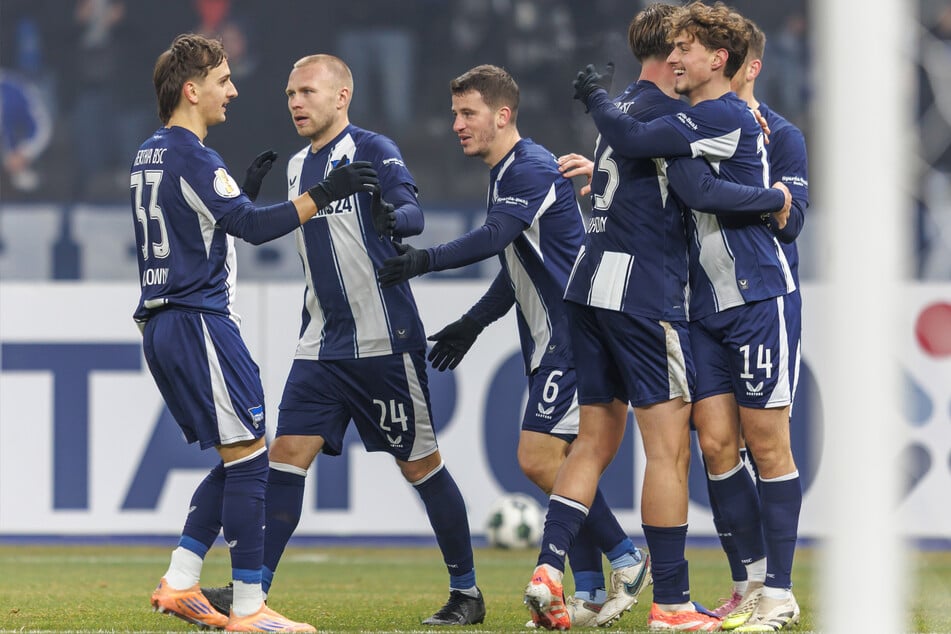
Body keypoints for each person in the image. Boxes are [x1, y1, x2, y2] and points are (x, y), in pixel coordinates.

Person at [531, 3, 793, 631]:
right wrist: (771, 199)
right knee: (674, 449)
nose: (678, 59)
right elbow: (682, 182)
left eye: (688, 49)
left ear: (714, 58)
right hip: (651, 298)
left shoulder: (657, 111)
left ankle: (551, 566)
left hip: (605, 287)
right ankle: (676, 601)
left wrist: (782, 198)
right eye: (673, 49)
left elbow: (670, 174)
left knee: (605, 438)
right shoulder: (669, 112)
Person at [202, 53, 486, 627]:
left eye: (306, 91)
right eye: (289, 94)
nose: (295, 103)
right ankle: (250, 589)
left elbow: (412, 212)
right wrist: (247, 204)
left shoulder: (374, 149)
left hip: (384, 339)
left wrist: (391, 217)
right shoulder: (297, 167)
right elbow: (272, 231)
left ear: (341, 96)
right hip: (322, 345)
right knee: (285, 459)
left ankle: (467, 592)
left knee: (421, 466)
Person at [376, 63, 652, 629]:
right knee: (566, 464)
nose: (457, 124)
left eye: (468, 113)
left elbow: (493, 239)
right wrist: (471, 325)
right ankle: (592, 589)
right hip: (553, 339)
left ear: (503, 115)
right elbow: (515, 266)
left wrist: (425, 259)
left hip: (574, 336)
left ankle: (626, 557)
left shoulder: (526, 168)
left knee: (537, 458)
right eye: (455, 113)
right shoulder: (507, 172)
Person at [136, 34, 378, 633]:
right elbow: (249, 226)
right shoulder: (192, 155)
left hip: (165, 323)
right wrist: (322, 195)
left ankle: (181, 581)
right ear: (192, 90)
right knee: (249, 462)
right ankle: (248, 607)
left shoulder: (149, 152)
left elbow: (206, 224)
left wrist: (235, 195)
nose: (233, 90)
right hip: (200, 323)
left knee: (237, 455)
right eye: (223, 80)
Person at [700, 16, 809, 630]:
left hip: (764, 300)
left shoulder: (782, 135)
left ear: (746, 66)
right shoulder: (685, 130)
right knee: (716, 444)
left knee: (765, 441)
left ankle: (782, 590)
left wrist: (754, 173)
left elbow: (791, 221)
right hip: (702, 303)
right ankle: (748, 583)